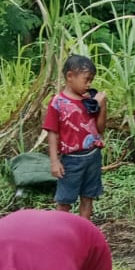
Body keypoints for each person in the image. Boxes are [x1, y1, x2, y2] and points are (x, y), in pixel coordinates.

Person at [44, 54, 107, 220]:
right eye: (86, 79)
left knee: (88, 197)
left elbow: (100, 129)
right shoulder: (58, 102)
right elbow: (52, 132)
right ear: (70, 76)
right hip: (71, 160)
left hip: (93, 156)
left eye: (91, 80)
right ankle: (59, 231)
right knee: (65, 200)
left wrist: (102, 106)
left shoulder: (90, 101)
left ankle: (83, 231)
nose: (89, 84)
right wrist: (54, 161)